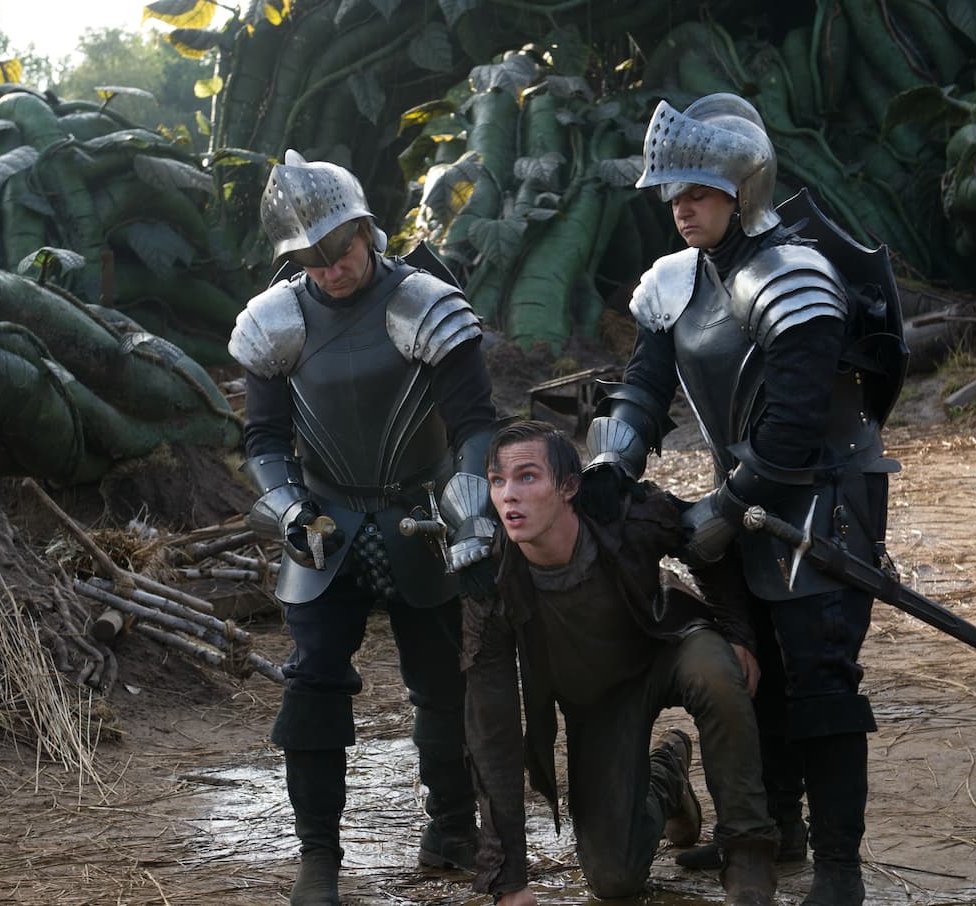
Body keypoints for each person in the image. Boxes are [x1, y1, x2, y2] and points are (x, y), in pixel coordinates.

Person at [579, 94, 906, 906]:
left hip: (825, 496)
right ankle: (778, 829)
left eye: (698, 193)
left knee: (821, 677)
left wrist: (722, 511)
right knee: (759, 669)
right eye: (674, 194)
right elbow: (644, 388)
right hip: (750, 491)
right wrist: (612, 461)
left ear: (743, 189)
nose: (680, 207)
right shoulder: (676, 282)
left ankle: (839, 869)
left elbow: (794, 422)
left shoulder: (796, 275)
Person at [228, 150, 500, 906]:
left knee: (441, 682)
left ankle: (451, 827)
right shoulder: (276, 319)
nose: (330, 268)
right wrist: (289, 507)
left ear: (364, 230)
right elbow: (264, 439)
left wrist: (470, 506)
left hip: (425, 513)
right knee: (312, 682)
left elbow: (476, 424)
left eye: (338, 248)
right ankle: (318, 856)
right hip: (326, 520)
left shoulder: (426, 303)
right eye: (310, 258)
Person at [463, 420, 780, 906]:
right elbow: (492, 728)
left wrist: (737, 632)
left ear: (569, 487)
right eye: (497, 480)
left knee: (718, 675)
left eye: (527, 477)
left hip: (668, 648)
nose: (509, 495)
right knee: (613, 879)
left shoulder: (621, 513)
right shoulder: (492, 579)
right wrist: (509, 880)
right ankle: (667, 777)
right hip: (598, 701)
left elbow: (704, 536)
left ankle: (747, 858)